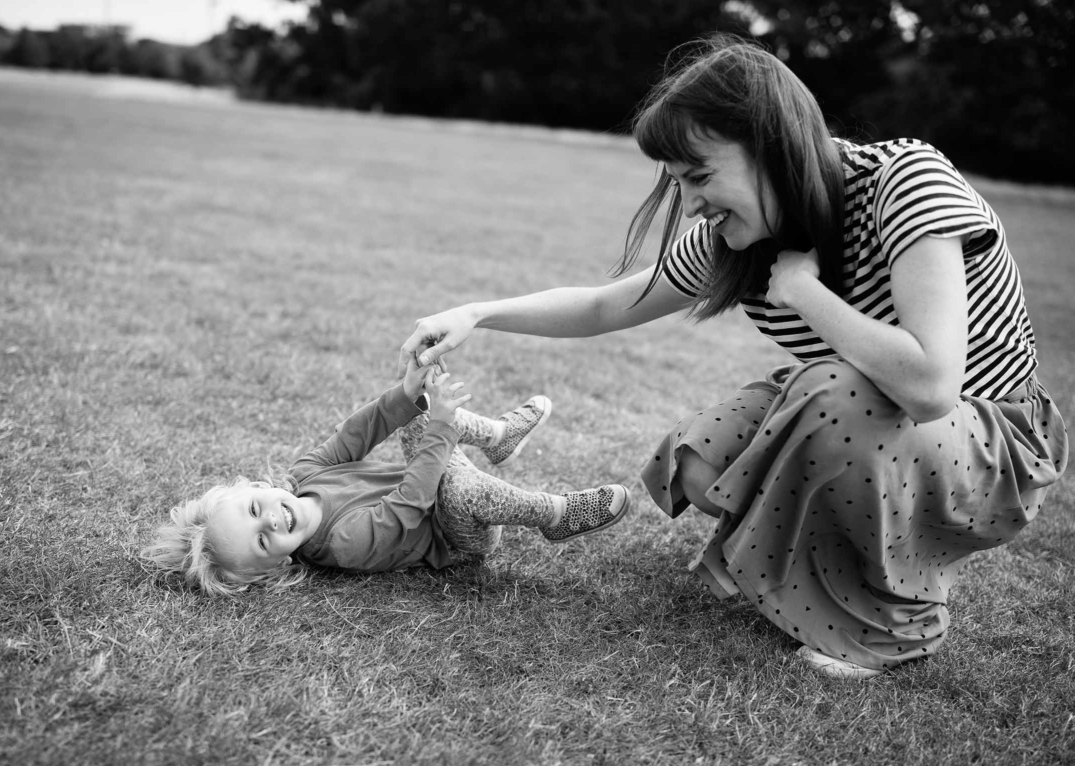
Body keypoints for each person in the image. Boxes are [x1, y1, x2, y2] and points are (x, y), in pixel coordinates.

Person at [398, 34, 1066, 679]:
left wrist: (805, 292)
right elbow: (606, 306)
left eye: (699, 175)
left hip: (994, 446)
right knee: (701, 464)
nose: (689, 202)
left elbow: (931, 385)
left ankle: (894, 624)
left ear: (771, 146)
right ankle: (806, 570)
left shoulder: (906, 181)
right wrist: (478, 314)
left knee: (836, 394)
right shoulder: (740, 237)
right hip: (867, 416)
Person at [141, 360, 631, 596]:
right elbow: (412, 500)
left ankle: (499, 435)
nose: (271, 520)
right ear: (275, 568)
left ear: (252, 488)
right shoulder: (345, 544)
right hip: (457, 531)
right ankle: (554, 514)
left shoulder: (306, 474)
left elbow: (361, 429)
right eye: (264, 541)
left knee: (414, 412)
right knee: (455, 482)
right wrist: (441, 425)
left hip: (435, 478)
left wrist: (407, 391)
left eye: (253, 511)